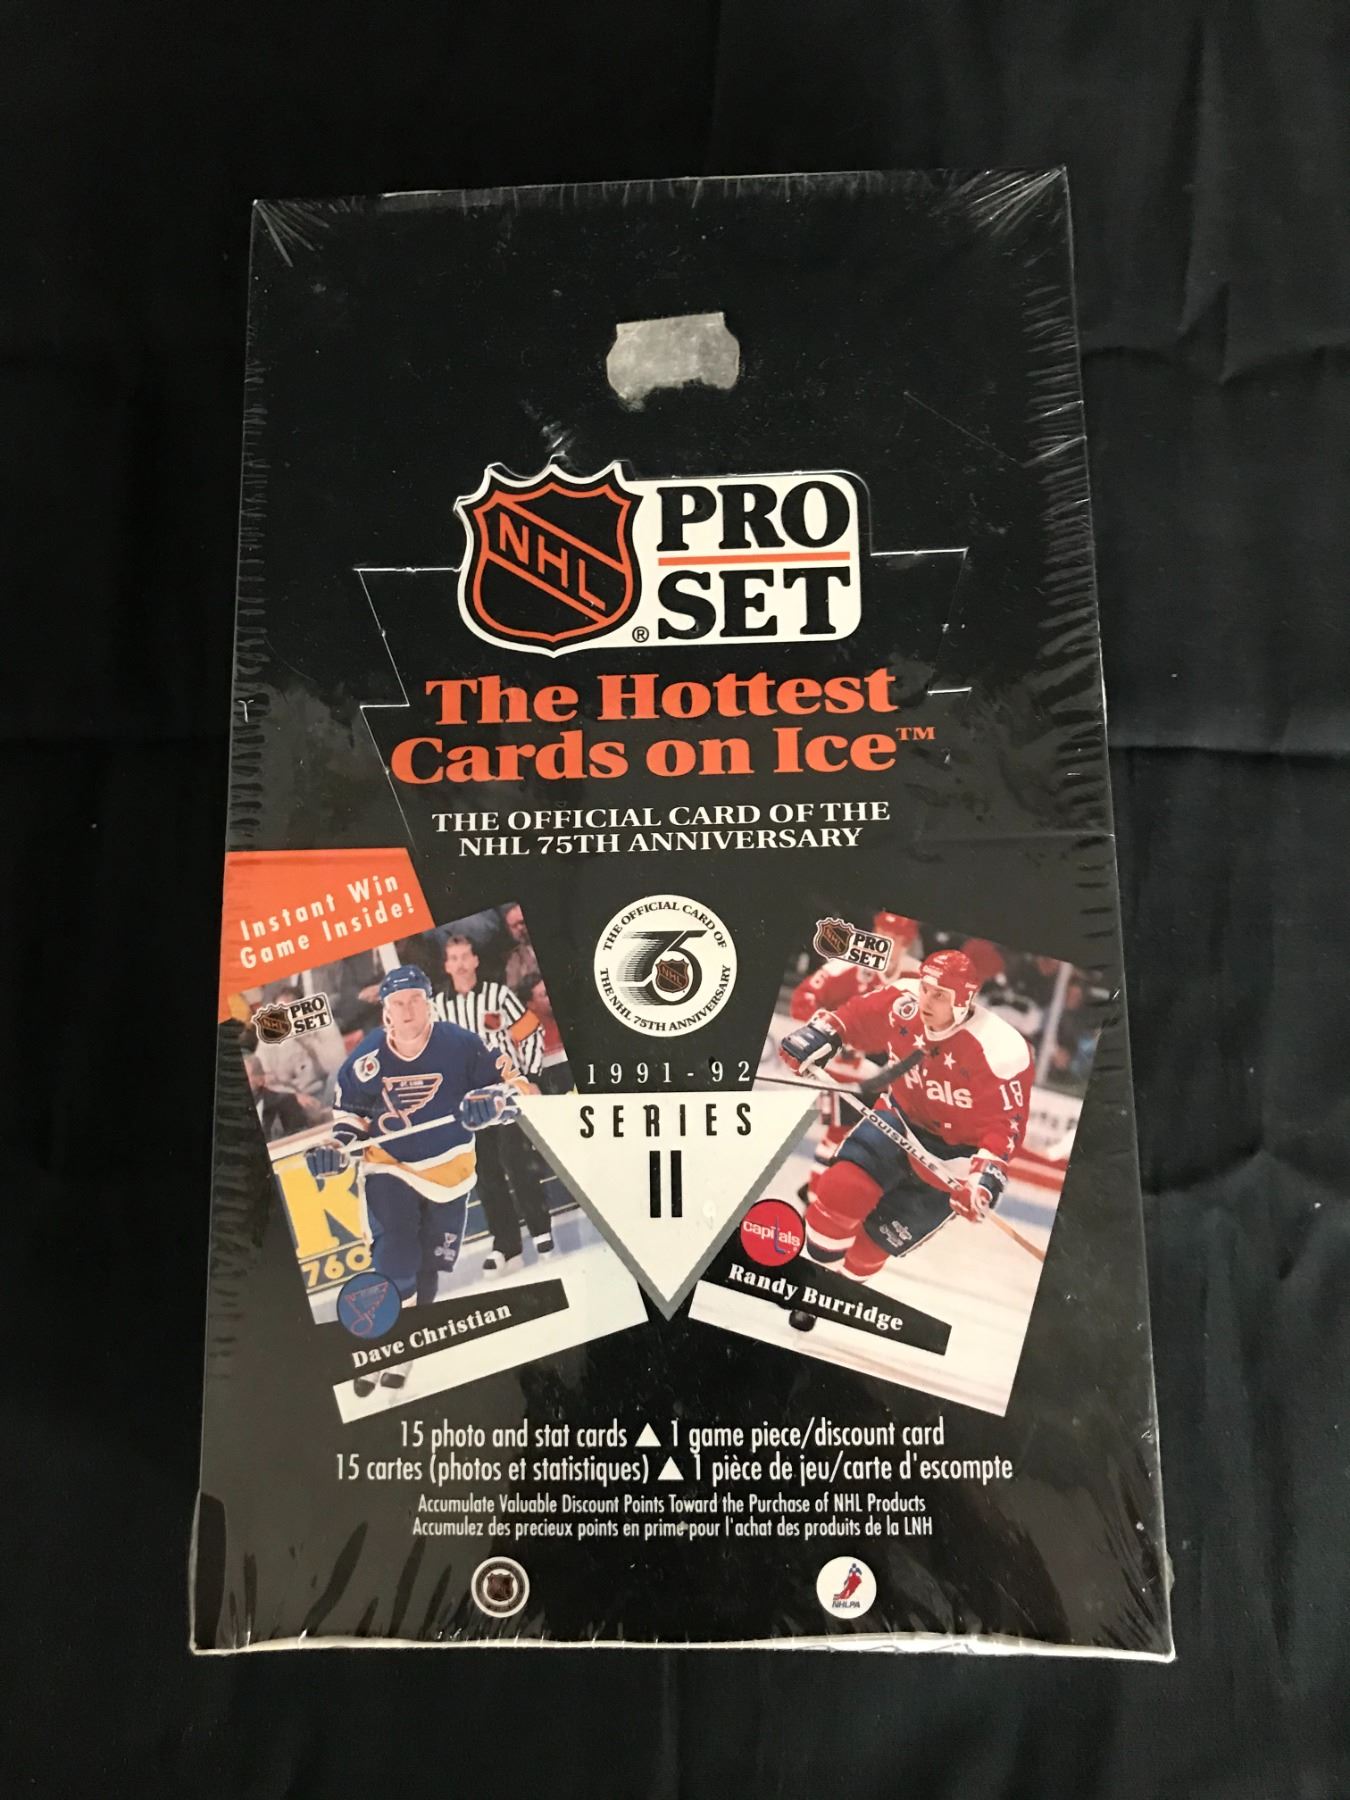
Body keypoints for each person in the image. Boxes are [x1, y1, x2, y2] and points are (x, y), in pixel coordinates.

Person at [304, 965, 525, 1395]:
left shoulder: (462, 1045)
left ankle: (404, 1348)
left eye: (414, 1001)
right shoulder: (367, 1058)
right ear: (385, 1011)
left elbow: (519, 1090)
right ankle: (378, 1343)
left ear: (430, 1005)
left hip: (450, 1171)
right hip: (390, 1165)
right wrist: (335, 1147)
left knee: (427, 1269)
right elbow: (350, 1119)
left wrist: (496, 1101)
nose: (406, 1010)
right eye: (397, 1003)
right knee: (397, 1250)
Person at [779, 949, 1033, 1322]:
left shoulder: (1001, 1050)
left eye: (940, 995)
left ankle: (834, 1293)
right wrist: (821, 1034)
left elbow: (1005, 1125)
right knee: (839, 1192)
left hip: (953, 1160)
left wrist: (983, 1179)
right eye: (926, 989)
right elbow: (853, 1017)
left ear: (963, 1001)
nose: (926, 1001)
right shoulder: (904, 1001)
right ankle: (813, 1284)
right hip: (897, 1119)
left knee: (868, 1252)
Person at [431, 935, 554, 1274]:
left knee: (516, 1163)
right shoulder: (436, 1008)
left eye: (464, 957)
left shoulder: (497, 995)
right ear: (446, 965)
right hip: (468, 1103)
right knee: (486, 1174)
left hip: (505, 1094)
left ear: (475, 961)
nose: (460, 964)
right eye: (453, 958)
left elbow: (531, 1031)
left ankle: (541, 1232)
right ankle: (506, 1244)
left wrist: (529, 1077)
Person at [788, 913, 922, 1205]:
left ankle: (828, 1191)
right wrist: (831, 1036)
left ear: (907, 943)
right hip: (842, 1071)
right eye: (882, 933)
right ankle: (816, 1198)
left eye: (895, 938)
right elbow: (803, 998)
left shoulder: (918, 977)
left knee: (874, 1143)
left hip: (888, 1074)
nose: (887, 942)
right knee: (840, 1133)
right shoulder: (847, 966)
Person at [500, 902, 541, 997]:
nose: (520, 928)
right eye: (514, 926)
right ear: (509, 930)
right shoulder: (514, 959)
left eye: (522, 922)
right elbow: (512, 991)